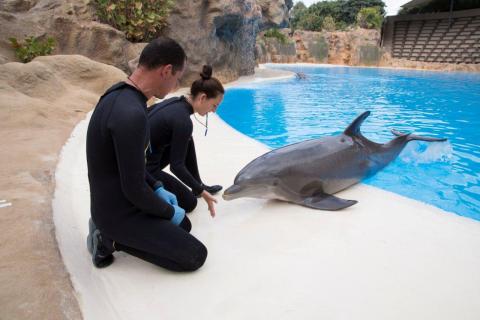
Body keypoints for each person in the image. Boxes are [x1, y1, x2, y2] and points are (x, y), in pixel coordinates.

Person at [85, 37, 207, 271]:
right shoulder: (132, 114)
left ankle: (106, 227)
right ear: (166, 70)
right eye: (177, 79)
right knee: (194, 255)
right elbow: (135, 190)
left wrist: (159, 187)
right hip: (117, 212)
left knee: (184, 225)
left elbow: (134, 166)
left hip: (110, 196)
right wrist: (169, 211)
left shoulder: (120, 95)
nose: (175, 86)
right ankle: (108, 239)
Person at [146, 65, 224, 217]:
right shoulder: (183, 121)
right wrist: (202, 193)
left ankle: (197, 185)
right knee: (190, 203)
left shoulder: (176, 102)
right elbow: (177, 166)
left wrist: (197, 186)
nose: (214, 111)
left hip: (144, 156)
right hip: (145, 171)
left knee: (186, 139)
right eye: (214, 105)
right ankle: (198, 189)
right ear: (202, 98)